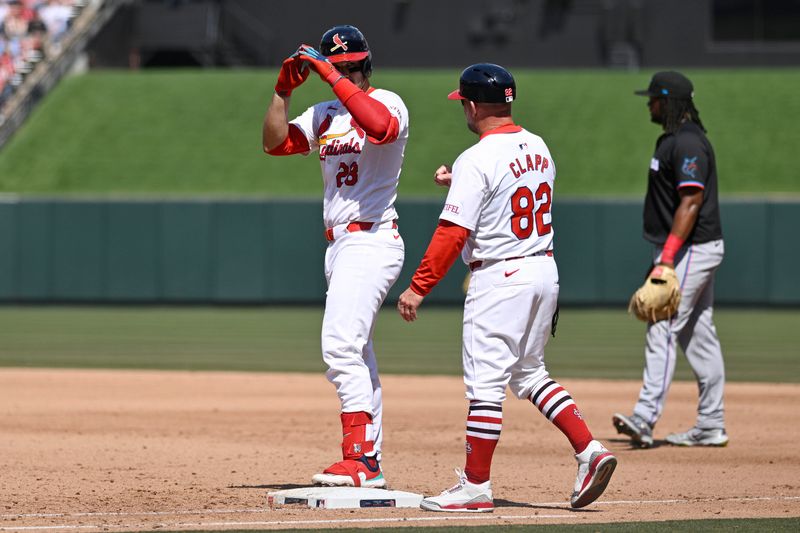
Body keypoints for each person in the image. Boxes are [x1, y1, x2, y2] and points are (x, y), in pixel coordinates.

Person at [397, 63, 616, 512]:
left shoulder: (475, 159)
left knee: (485, 386)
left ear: (473, 106)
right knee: (530, 372)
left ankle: (475, 486)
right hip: (543, 270)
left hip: (500, 277)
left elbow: (453, 232)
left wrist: (419, 287)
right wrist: (457, 181)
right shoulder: (538, 146)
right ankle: (591, 451)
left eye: (464, 104)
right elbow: (507, 190)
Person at [262, 24, 407, 488]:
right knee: (358, 353)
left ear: (368, 65)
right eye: (338, 66)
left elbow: (380, 129)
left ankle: (359, 458)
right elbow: (275, 143)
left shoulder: (389, 102)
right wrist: (282, 92)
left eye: (351, 67)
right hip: (340, 244)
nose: (346, 73)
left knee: (340, 345)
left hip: (371, 239)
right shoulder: (324, 113)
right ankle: (371, 459)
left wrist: (329, 74)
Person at [612, 71, 727, 449]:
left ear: (669, 101)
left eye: (654, 99)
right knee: (698, 334)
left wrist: (666, 257)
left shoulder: (689, 143)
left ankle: (644, 418)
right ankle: (711, 423)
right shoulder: (675, 140)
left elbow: (691, 201)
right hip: (689, 249)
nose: (649, 104)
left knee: (660, 322)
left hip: (692, 248)